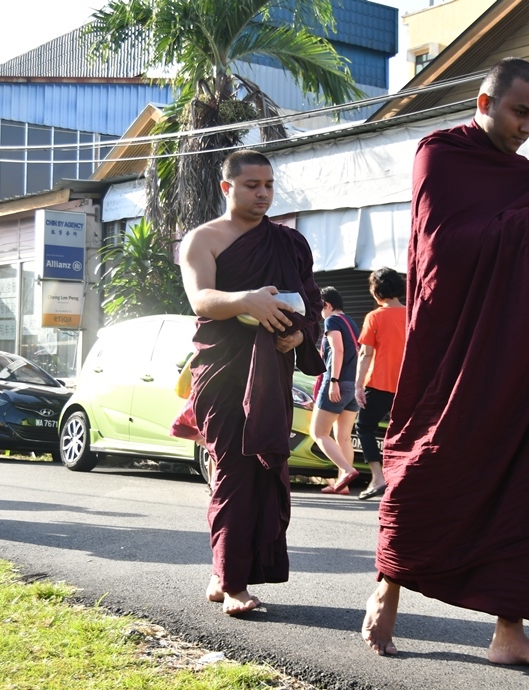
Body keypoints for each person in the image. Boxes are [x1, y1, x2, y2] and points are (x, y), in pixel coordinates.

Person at [360, 58, 529, 673]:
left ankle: (509, 633)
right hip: (450, 351)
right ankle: (388, 586)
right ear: (484, 102)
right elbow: (441, 248)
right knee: (429, 462)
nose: (528, 127)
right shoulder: (439, 153)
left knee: (525, 481)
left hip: (518, 358)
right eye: (520, 112)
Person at [175, 149, 324, 615]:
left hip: (271, 372)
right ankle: (233, 584)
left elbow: (311, 304)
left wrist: (299, 336)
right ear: (227, 187)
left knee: (263, 474)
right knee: (233, 471)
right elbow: (201, 298)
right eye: (251, 185)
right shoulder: (203, 239)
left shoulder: (290, 243)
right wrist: (246, 300)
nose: (262, 194)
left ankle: (223, 573)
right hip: (222, 371)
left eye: (268, 185)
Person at [354, 268, 406, 500]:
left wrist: (357, 386)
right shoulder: (412, 315)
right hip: (406, 385)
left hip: (379, 383)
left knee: (364, 427)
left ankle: (377, 478)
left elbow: (365, 354)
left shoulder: (374, 317)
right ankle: (402, 478)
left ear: (376, 291)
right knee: (404, 432)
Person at [310, 286, 362, 495]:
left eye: (319, 307)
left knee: (318, 433)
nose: (319, 312)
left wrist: (333, 381)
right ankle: (343, 485)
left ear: (327, 305)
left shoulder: (332, 321)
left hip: (338, 382)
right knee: (343, 437)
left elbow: (338, 350)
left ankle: (347, 471)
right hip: (353, 384)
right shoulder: (351, 322)